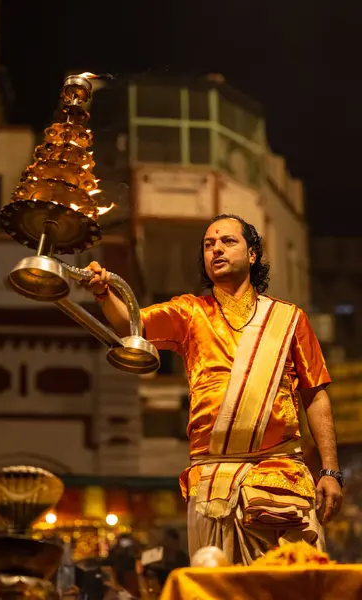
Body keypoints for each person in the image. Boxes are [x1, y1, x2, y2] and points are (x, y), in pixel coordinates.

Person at [80, 214, 343, 565]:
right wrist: (102, 291)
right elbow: (132, 323)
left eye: (227, 241)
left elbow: (315, 394)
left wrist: (330, 470)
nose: (216, 248)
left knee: (295, 585)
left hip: (282, 478)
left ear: (252, 254)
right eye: (208, 244)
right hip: (213, 483)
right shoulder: (189, 312)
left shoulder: (290, 318)